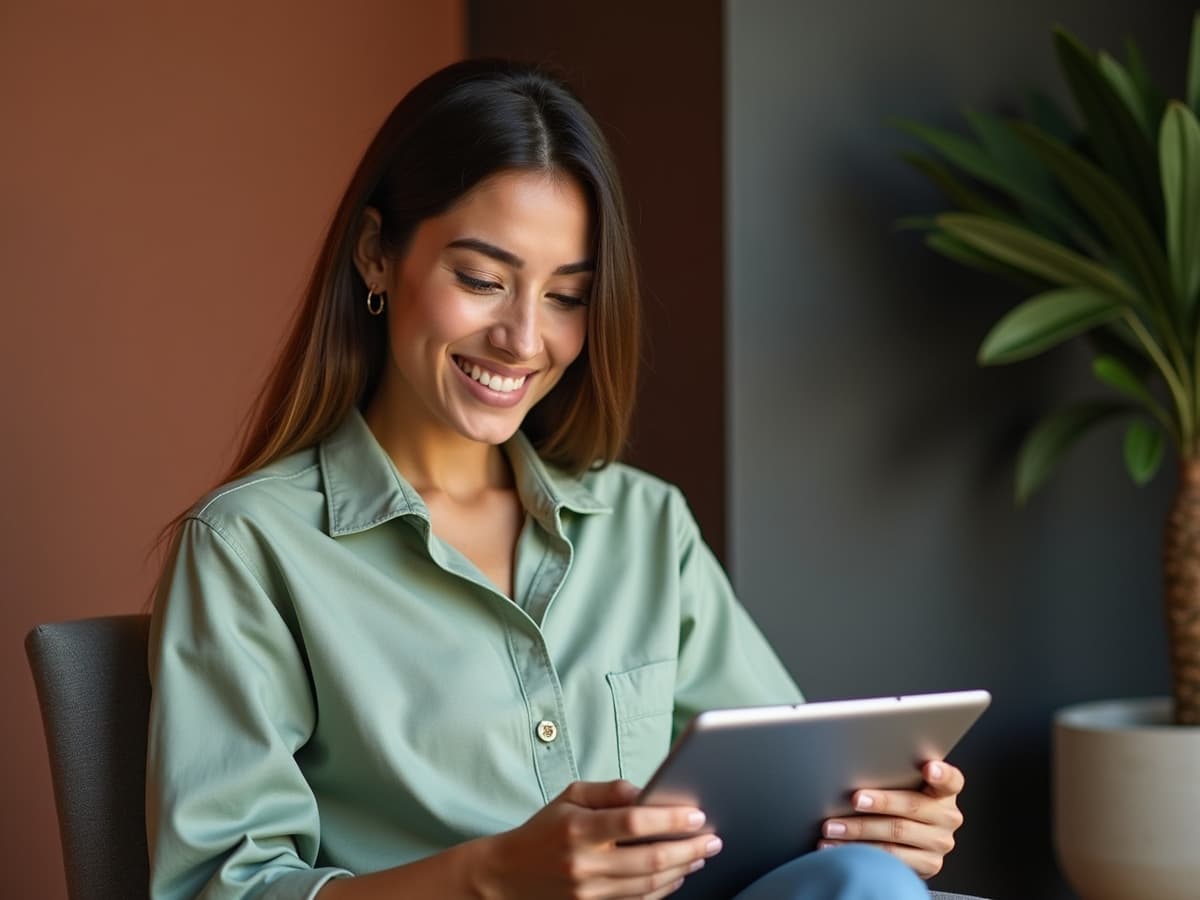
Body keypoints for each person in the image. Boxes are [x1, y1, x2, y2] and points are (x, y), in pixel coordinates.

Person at [146, 58, 965, 900]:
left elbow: (787, 803)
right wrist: (487, 876)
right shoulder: (251, 548)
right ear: (375, 256)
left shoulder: (644, 525)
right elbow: (222, 887)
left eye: (568, 296)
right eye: (481, 280)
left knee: (866, 880)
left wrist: (872, 818)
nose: (522, 339)